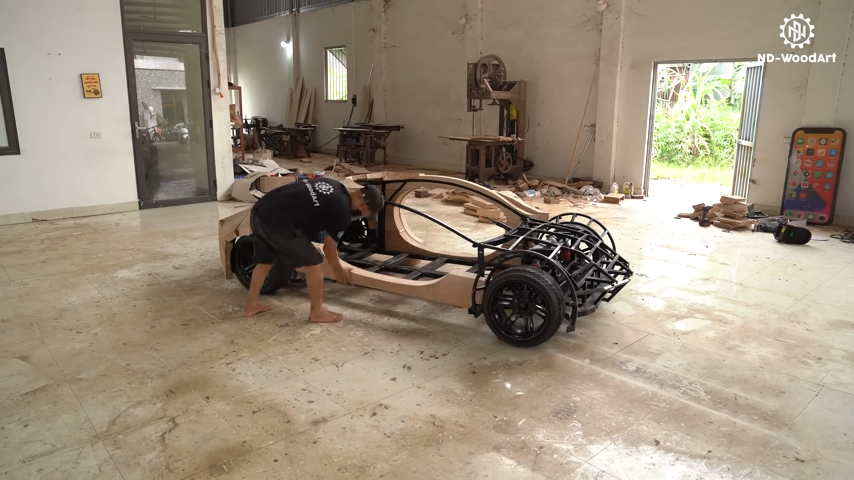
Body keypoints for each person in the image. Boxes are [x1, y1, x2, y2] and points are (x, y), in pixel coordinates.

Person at [243, 178, 384, 323]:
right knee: (314, 264)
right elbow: (328, 248)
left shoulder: (335, 184)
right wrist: (338, 268)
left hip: (260, 211)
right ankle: (317, 312)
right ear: (363, 206)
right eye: (367, 212)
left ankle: (251, 306)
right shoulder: (342, 212)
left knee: (265, 261)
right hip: (279, 224)